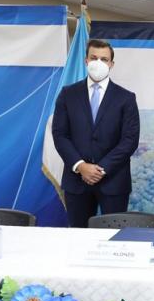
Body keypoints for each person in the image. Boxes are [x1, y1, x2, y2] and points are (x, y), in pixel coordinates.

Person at [52, 39, 140, 228]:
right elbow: (60, 135)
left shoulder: (126, 98)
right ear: (86, 60)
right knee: (78, 237)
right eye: (94, 58)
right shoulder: (68, 94)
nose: (98, 63)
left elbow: (130, 140)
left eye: (104, 59)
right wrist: (81, 166)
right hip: (76, 181)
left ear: (111, 64)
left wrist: (101, 169)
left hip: (114, 181)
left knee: (114, 238)